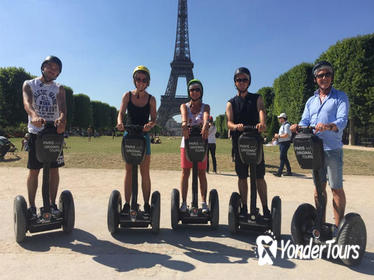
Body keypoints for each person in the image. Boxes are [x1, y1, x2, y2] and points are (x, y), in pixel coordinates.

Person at [290, 61, 349, 229]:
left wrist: (328, 125)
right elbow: (305, 120)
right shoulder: (311, 101)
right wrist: (297, 126)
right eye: (320, 75)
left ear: (331, 77)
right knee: (318, 189)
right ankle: (320, 226)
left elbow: (342, 120)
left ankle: (338, 230)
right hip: (314, 149)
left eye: (327, 74)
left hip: (332, 149)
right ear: (315, 79)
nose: (324, 78)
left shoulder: (340, 97)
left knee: (336, 189)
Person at [22, 55, 66, 218]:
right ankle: (32, 207)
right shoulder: (29, 84)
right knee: (34, 170)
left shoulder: (59, 88)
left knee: (54, 170)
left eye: (56, 69)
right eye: (50, 67)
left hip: (53, 134)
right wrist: (34, 115)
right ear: (43, 67)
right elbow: (27, 102)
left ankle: (52, 204)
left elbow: (62, 107)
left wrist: (62, 118)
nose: (53, 70)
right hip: (36, 133)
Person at [226, 67, 270, 218]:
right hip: (239, 143)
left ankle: (265, 208)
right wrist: (235, 126)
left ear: (249, 81)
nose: (242, 82)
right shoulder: (231, 103)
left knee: (259, 177)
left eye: (244, 79)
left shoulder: (257, 98)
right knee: (242, 177)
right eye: (238, 80)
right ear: (235, 82)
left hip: (254, 142)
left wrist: (262, 123)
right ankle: (244, 207)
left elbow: (261, 111)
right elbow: (229, 122)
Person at [117, 65, 157, 217]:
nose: (140, 82)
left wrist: (150, 125)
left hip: (143, 136)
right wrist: (120, 122)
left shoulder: (151, 99)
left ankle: (146, 204)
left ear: (148, 82)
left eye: (144, 79)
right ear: (134, 80)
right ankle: (127, 204)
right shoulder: (127, 95)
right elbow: (121, 113)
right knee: (128, 171)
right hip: (129, 135)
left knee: (144, 171)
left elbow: (154, 119)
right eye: (138, 79)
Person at [180, 79, 210, 213]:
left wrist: (205, 125)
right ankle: (184, 202)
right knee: (185, 172)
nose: (195, 92)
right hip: (187, 143)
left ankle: (203, 202)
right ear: (189, 92)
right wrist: (184, 124)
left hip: (201, 143)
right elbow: (184, 117)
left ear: (201, 92)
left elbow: (206, 117)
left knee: (202, 173)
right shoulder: (184, 106)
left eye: (197, 89)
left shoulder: (206, 106)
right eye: (192, 89)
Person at [273, 113, 292, 177]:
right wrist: (276, 137)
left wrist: (278, 136)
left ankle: (279, 172)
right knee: (284, 157)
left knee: (282, 157)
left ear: (283, 118)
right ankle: (289, 171)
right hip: (282, 143)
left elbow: (287, 135)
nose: (279, 119)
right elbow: (282, 135)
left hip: (285, 143)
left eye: (280, 118)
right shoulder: (282, 125)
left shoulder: (287, 125)